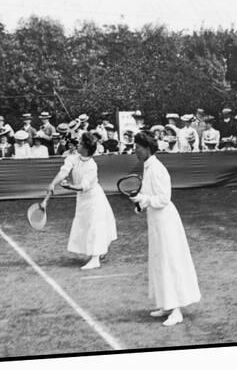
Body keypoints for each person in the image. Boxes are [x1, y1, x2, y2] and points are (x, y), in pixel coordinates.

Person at [129, 131, 201, 326]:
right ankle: (166, 304)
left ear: (146, 149)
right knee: (159, 262)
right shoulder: (147, 167)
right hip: (155, 221)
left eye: (137, 148)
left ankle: (176, 311)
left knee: (170, 262)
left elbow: (164, 198)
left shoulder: (158, 168)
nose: (135, 151)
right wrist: (140, 204)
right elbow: (146, 194)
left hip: (166, 221)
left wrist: (144, 199)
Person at [47, 132, 117, 270]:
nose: (77, 144)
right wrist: (52, 184)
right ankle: (101, 250)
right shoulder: (73, 158)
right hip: (83, 199)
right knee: (86, 225)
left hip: (94, 198)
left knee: (95, 226)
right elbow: (64, 171)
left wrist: (69, 187)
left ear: (85, 147)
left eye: (79, 143)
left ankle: (95, 259)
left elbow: (82, 186)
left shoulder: (92, 166)